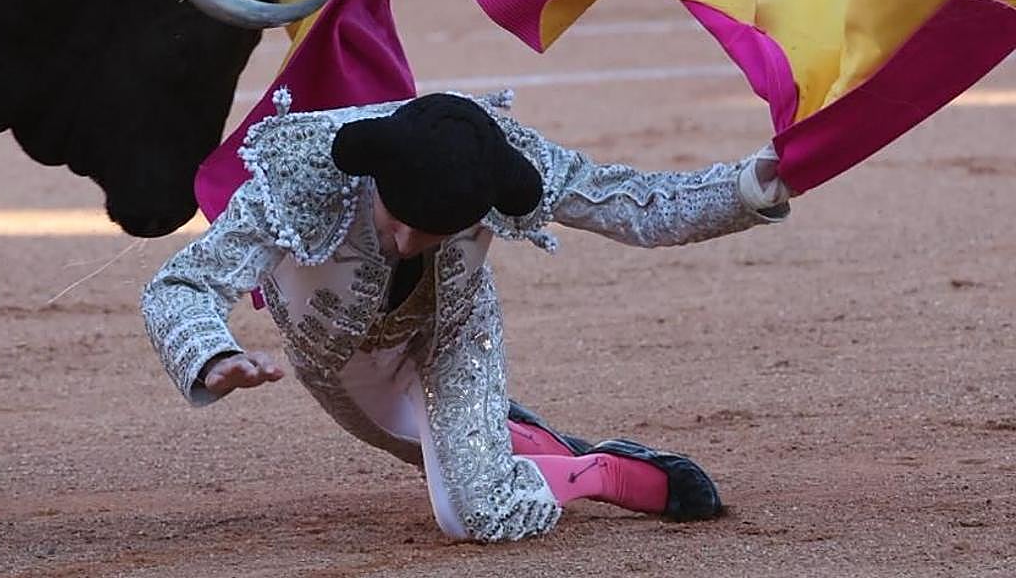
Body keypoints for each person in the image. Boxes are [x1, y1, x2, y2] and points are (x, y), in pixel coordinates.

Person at [141, 88, 790, 542]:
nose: (406, 245)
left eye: (432, 234)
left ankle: (604, 472)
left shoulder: (507, 159)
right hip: (339, 363)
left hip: (455, 334)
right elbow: (182, 284)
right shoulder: (303, 175)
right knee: (444, 458)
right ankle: (508, 440)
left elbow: (634, 203)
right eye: (400, 223)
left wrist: (747, 189)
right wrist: (214, 353)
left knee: (476, 513)